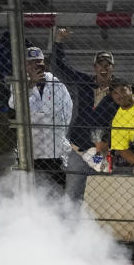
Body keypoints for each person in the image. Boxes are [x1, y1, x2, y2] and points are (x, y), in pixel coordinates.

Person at [51, 28, 117, 205]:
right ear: (94, 67)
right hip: (78, 149)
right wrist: (58, 42)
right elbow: (60, 67)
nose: (104, 68)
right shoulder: (84, 82)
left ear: (112, 67)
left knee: (100, 198)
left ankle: (94, 231)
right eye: (100, 64)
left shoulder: (119, 91)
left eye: (107, 65)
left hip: (102, 152)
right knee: (72, 194)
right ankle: (69, 230)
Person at [10, 47, 73, 192]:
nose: (35, 65)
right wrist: (30, 84)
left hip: (54, 147)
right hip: (30, 147)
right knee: (30, 187)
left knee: (59, 187)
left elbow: (68, 108)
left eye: (38, 62)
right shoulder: (19, 82)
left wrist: (62, 133)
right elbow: (13, 103)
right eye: (31, 62)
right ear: (24, 65)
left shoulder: (55, 82)